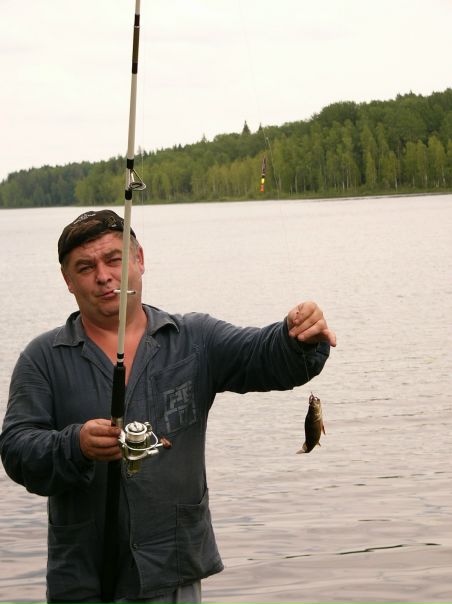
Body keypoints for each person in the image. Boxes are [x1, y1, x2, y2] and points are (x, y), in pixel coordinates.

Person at [0, 210, 336, 604]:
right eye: (85, 267)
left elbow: (264, 356)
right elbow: (17, 450)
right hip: (82, 583)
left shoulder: (195, 339)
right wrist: (76, 445)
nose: (103, 276)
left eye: (114, 259)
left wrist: (298, 337)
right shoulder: (41, 358)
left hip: (173, 574)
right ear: (68, 280)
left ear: (139, 258)